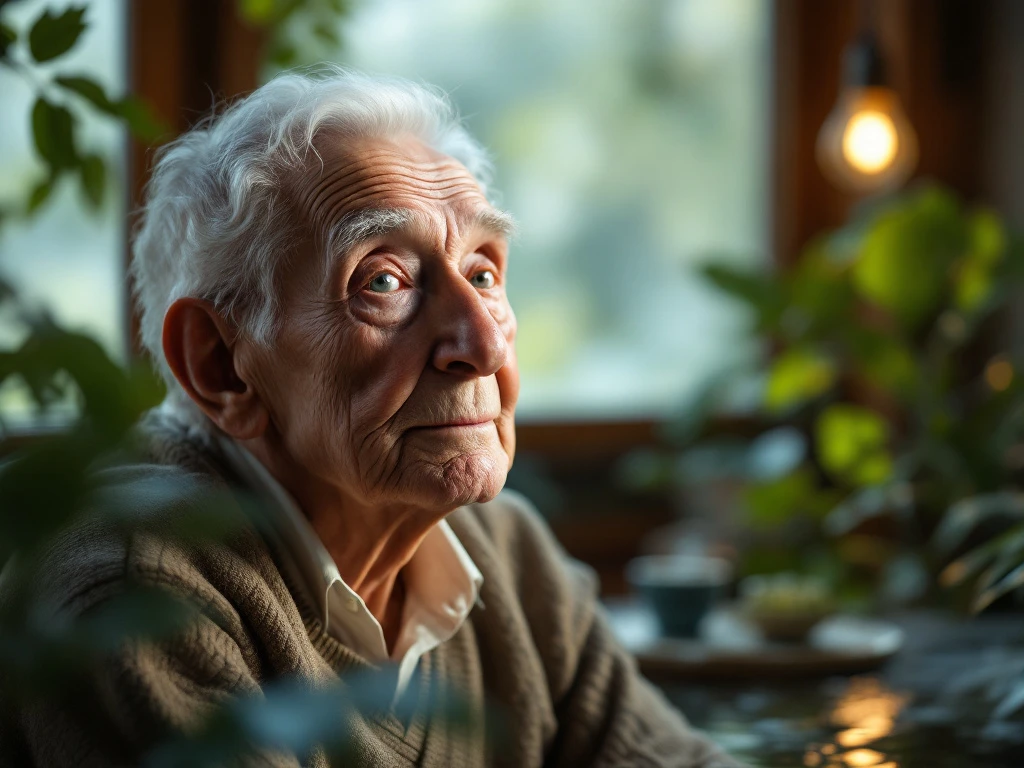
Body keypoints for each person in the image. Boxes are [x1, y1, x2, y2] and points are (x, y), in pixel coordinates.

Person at [1, 68, 741, 767]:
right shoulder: (136, 592)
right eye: (383, 280)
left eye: (483, 273)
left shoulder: (507, 557)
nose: (482, 343)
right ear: (221, 365)